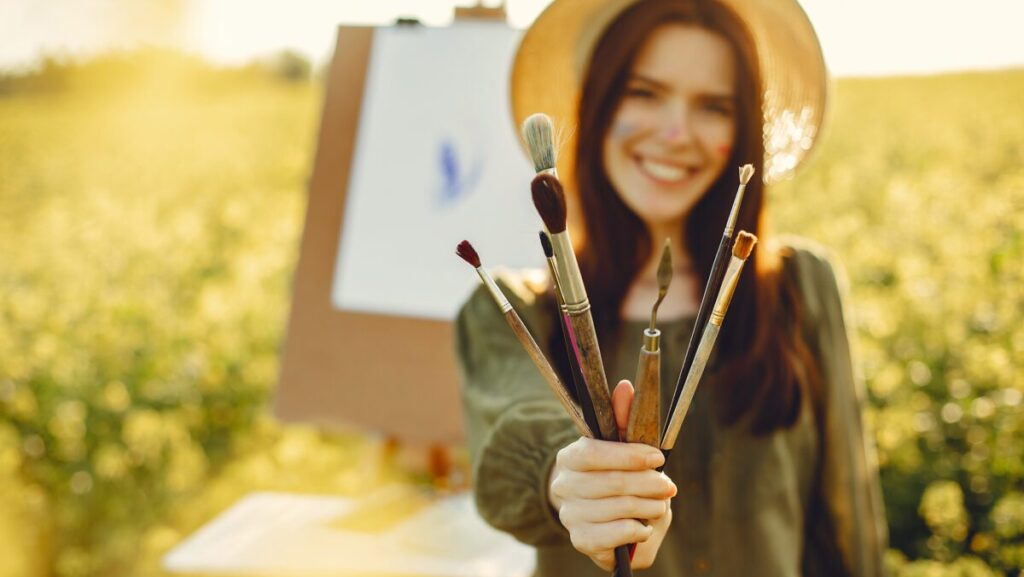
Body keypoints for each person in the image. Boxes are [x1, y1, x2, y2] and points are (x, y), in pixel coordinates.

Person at [456, 0, 888, 575]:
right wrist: (570, 481)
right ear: (598, 106)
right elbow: (508, 447)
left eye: (714, 106)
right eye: (644, 93)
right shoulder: (513, 309)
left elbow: (847, 515)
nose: (676, 133)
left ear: (743, 133)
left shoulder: (803, 286)